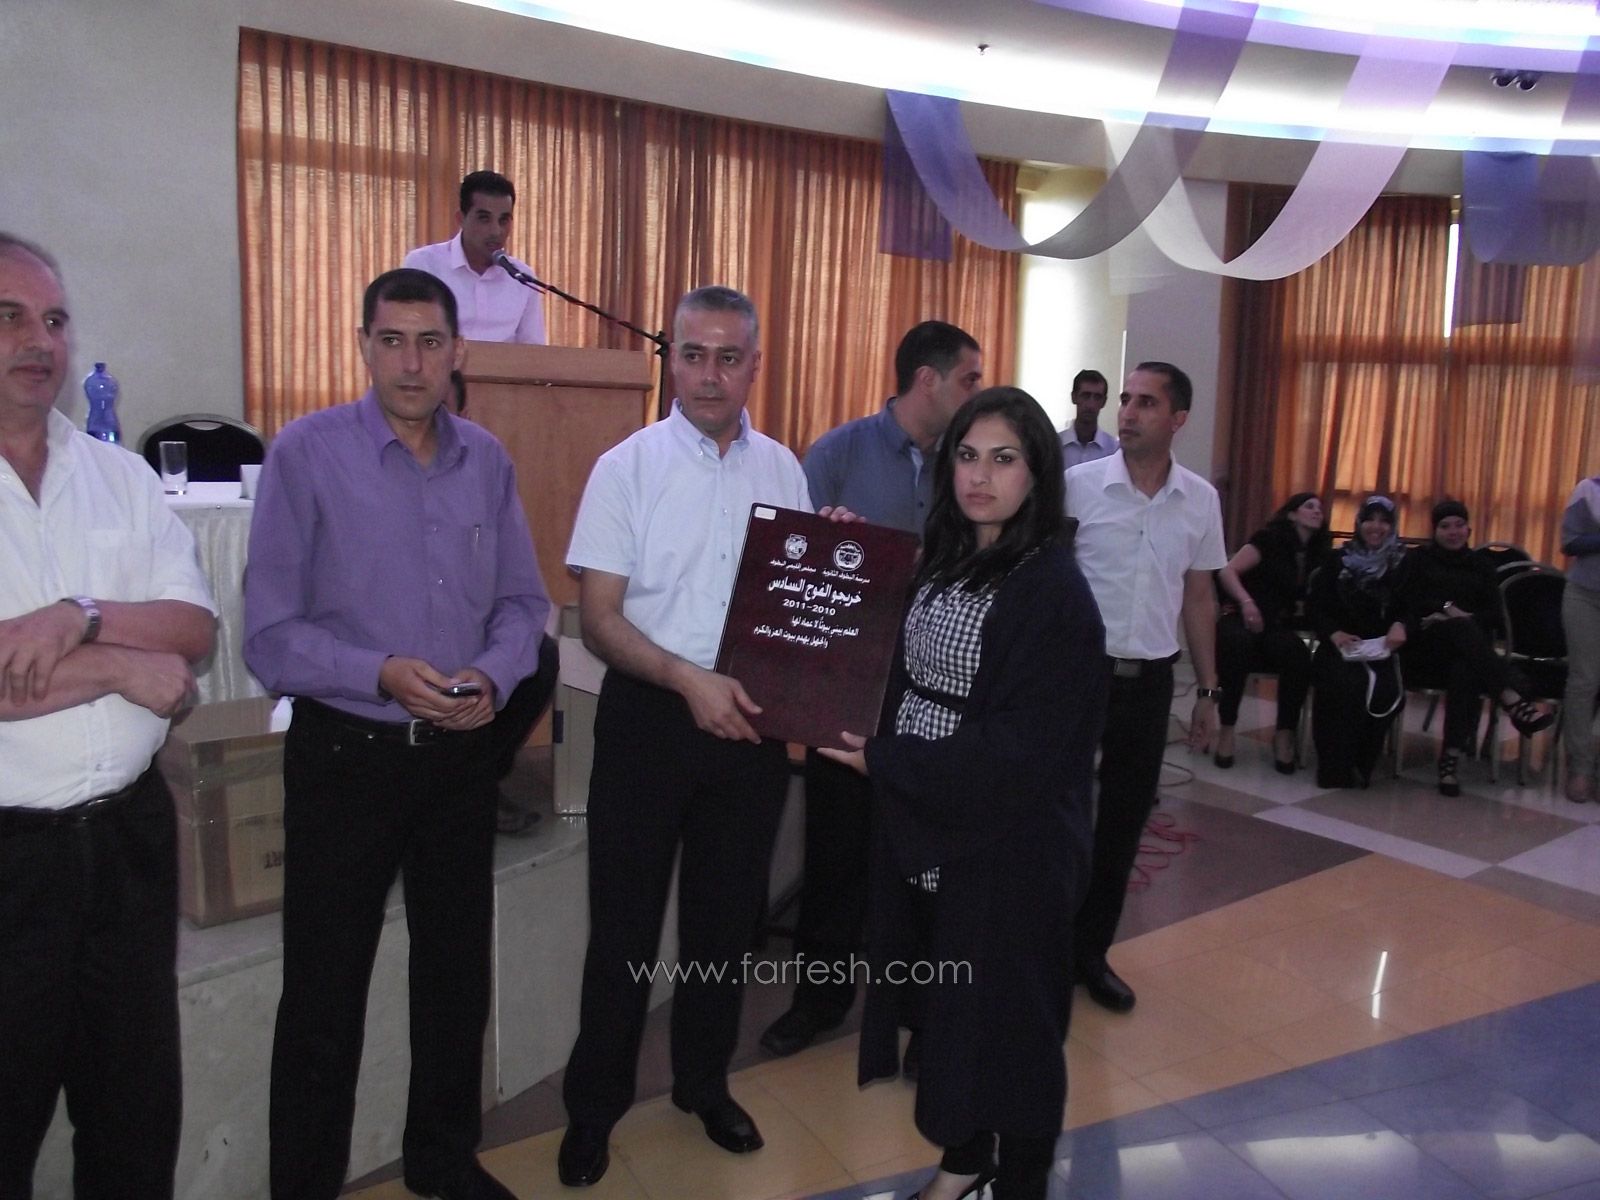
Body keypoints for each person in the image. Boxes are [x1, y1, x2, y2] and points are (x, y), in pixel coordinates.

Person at [244, 267, 550, 1200]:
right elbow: (269, 635)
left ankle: (442, 1162)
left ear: (458, 353)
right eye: (391, 341)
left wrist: (492, 675)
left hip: (458, 759)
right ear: (363, 347)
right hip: (346, 759)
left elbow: (524, 604)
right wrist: (377, 671)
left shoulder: (486, 460)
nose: (411, 363)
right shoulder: (306, 454)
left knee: (455, 980)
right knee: (324, 995)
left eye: (429, 342)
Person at [820, 387, 1104, 1200]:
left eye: (1003, 460)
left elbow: (1019, 752)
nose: (980, 477)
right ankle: (964, 1159)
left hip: (1010, 846)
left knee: (1015, 1029)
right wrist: (838, 551)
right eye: (967, 457)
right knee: (955, 1017)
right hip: (938, 830)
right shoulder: (952, 557)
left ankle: (1021, 1181)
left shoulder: (1052, 589)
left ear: (1037, 473)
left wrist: (887, 764)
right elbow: (897, 645)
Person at [556, 285, 812, 1188]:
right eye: (693, 355)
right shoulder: (625, 467)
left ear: (754, 365)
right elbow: (599, 620)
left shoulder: (784, 470)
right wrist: (683, 679)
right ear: (672, 360)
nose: (709, 375)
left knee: (724, 928)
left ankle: (704, 1085)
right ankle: (594, 1110)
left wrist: (837, 564)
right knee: (623, 932)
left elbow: (796, 611)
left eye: (728, 357)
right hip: (649, 719)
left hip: (748, 726)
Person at [0, 233, 216, 1199]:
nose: (38, 340)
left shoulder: (118, 476)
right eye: (9, 316)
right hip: (10, 863)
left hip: (128, 845)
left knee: (133, 1122)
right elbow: (154, 652)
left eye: (53, 319)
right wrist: (121, 665)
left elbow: (193, 627)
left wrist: (74, 618)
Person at [759, 319, 982, 1061]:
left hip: (936, 682)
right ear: (928, 380)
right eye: (969, 379)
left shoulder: (968, 465)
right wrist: (831, 536)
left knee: (924, 850)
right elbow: (790, 566)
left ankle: (918, 1008)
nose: (976, 393)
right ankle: (818, 1002)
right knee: (837, 848)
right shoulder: (837, 453)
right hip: (849, 682)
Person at [1065, 361, 1225, 1015]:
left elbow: (1199, 595)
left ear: (1178, 419)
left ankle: (1090, 954)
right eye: (1125, 400)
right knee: (1059, 819)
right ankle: (1040, 949)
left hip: (1150, 682)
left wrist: (1209, 693)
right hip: (1077, 678)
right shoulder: (1077, 487)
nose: (1127, 412)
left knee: (1123, 825)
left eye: (1146, 403)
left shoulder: (1200, 499)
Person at [1400, 499, 1554, 795]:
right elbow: (1411, 601)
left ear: (1468, 529)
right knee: (1462, 635)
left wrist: (1467, 619)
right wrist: (1447, 608)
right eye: (1445, 526)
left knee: (1466, 668)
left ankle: (1450, 761)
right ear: (1435, 531)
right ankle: (1511, 696)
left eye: (1459, 525)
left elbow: (1494, 614)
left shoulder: (1481, 565)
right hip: (1426, 647)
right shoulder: (1418, 559)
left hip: (1469, 652)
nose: (1453, 532)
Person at [1213, 492, 1332, 773]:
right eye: (1309, 506)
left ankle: (1284, 734)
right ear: (1292, 514)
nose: (1317, 511)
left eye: (1320, 508)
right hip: (1242, 614)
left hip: (1275, 624)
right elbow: (1228, 572)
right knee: (1237, 645)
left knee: (1298, 656)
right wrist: (1246, 602)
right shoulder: (1268, 539)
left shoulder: (1318, 554)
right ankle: (1227, 729)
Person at [1308, 495, 1409, 790]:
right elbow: (1315, 606)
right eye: (1369, 520)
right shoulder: (1338, 559)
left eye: (1384, 521)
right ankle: (1335, 767)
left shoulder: (1402, 562)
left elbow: (1411, 606)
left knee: (1387, 692)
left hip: (1383, 649)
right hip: (1340, 646)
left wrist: (1400, 625)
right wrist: (1334, 633)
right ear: (1358, 523)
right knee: (1343, 686)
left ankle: (1362, 763)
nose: (1376, 527)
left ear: (1392, 526)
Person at [403, 170, 547, 344]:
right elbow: (408, 337)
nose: (496, 231)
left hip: (504, 363)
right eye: (484, 219)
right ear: (461, 219)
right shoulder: (424, 265)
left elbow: (534, 349)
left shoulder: (522, 277)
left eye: (503, 220)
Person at [1562, 476, 1600, 802]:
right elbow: (1570, 542)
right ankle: (1580, 767)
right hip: (1585, 595)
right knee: (1584, 680)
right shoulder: (1588, 489)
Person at [1059, 368, 1117, 468]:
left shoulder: (1113, 450)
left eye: (1097, 397)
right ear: (1074, 397)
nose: (1091, 404)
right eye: (1085, 396)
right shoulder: (1055, 445)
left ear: (1104, 402)